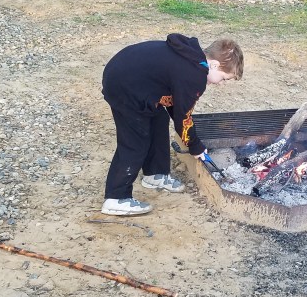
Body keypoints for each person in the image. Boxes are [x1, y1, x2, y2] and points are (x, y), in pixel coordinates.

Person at [101, 34, 243, 216]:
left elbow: (176, 105)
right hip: (124, 86)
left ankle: (155, 174)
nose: (222, 84)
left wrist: (193, 143)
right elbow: (183, 117)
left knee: (159, 118)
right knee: (135, 140)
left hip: (134, 80)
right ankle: (116, 197)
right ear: (214, 65)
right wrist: (195, 145)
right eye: (224, 78)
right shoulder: (194, 76)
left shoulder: (194, 60)